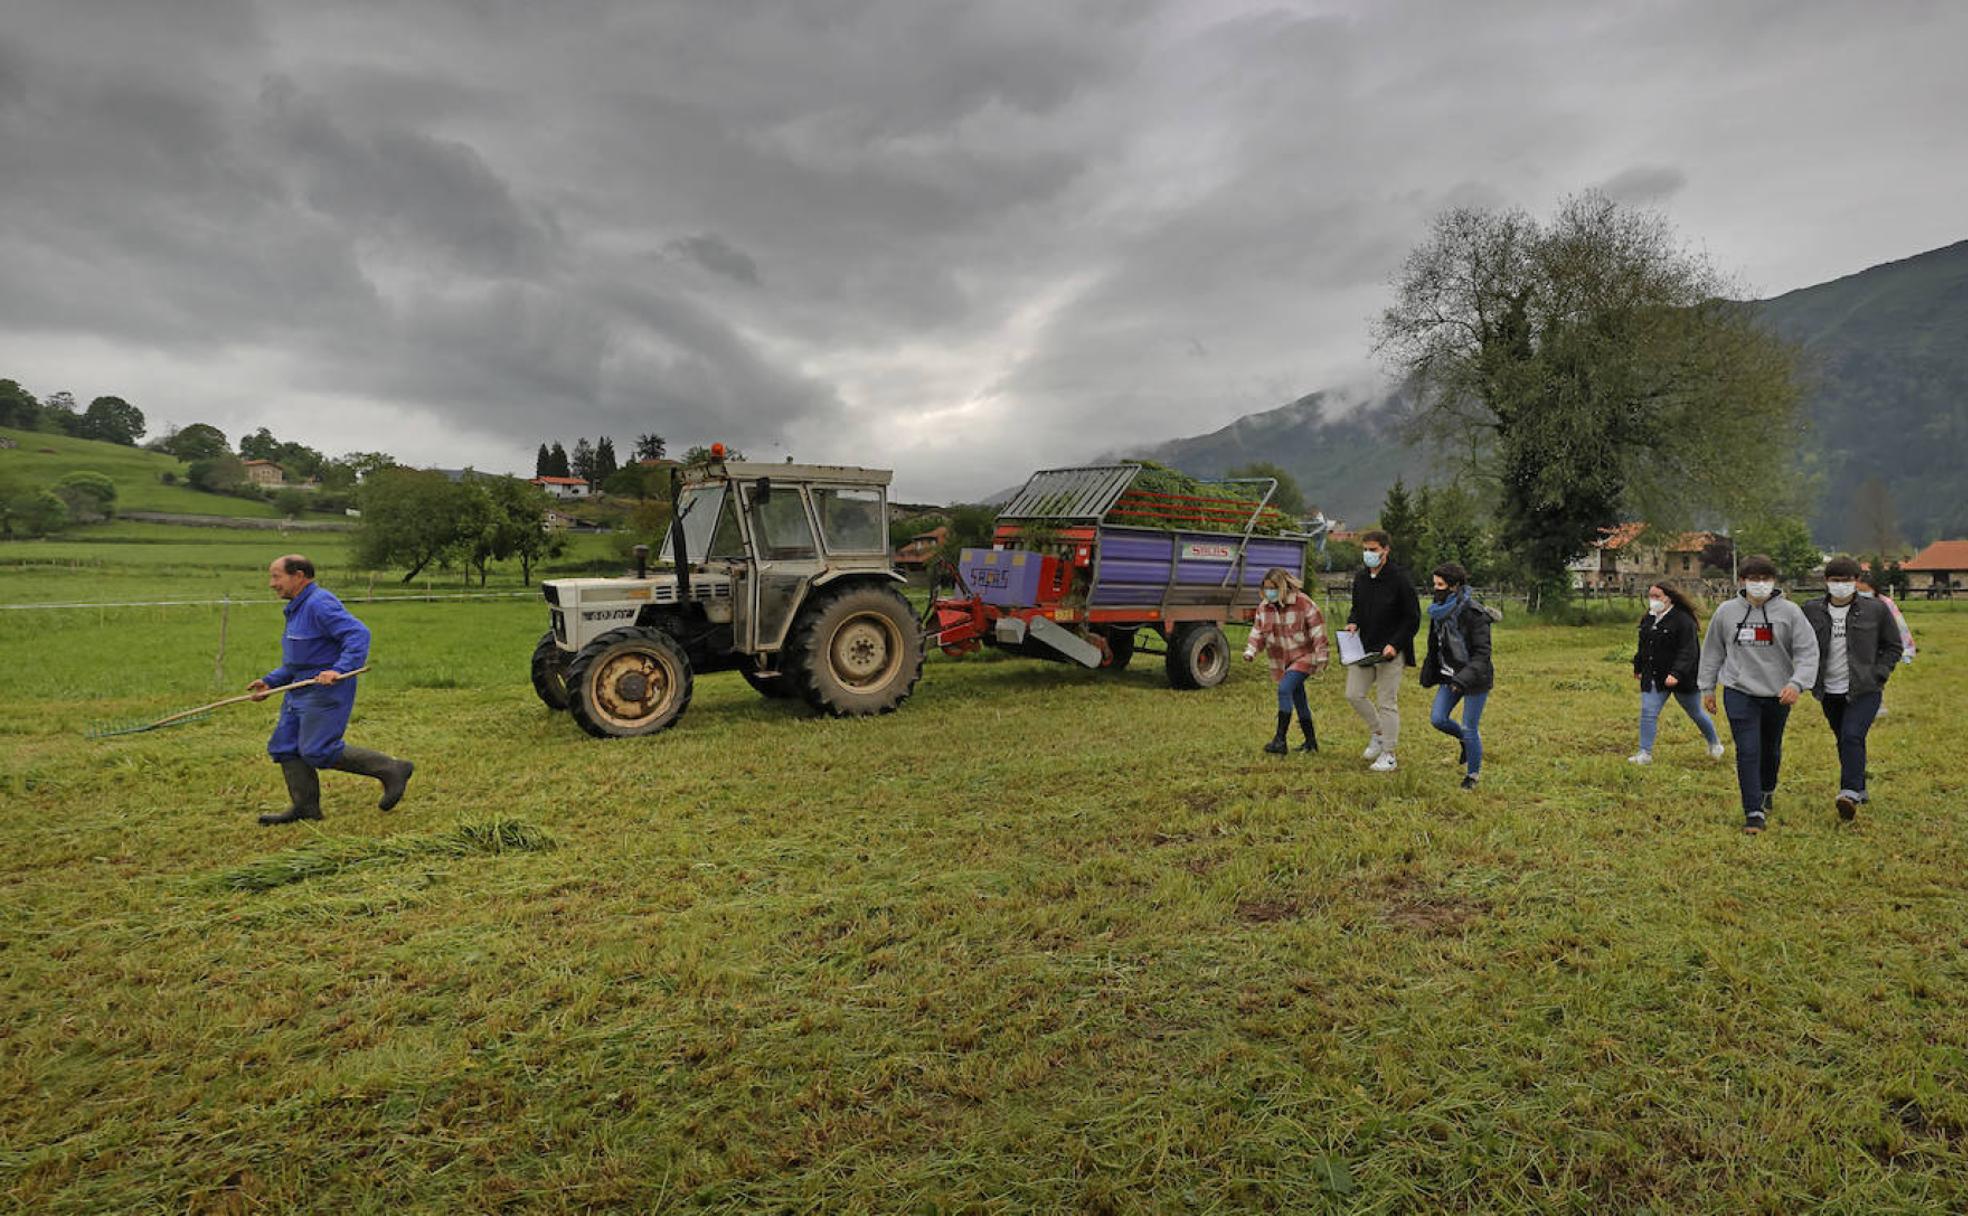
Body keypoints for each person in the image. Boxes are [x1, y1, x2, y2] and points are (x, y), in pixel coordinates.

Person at [250, 554, 415, 826]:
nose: (272, 583)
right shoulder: (296, 607)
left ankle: (393, 769)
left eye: (276, 576)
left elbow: (358, 634)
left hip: (326, 690)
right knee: (285, 746)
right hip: (300, 688)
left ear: (299, 575)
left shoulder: (319, 603)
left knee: (317, 750)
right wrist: (271, 682)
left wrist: (340, 669)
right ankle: (305, 808)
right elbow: (301, 659)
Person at [1698, 555, 1820, 835]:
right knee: (1748, 750)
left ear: (1774, 581)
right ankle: (1753, 811)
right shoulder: (1726, 612)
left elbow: (1807, 651)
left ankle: (1767, 789)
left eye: (1765, 579)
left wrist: (1797, 683)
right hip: (1739, 691)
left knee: (1770, 748)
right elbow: (1713, 650)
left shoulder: (1790, 613)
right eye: (1754, 579)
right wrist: (1707, 688)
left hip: (1778, 693)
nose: (1760, 584)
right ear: (1742, 581)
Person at [1802, 556, 1903, 820]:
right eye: (1836, 581)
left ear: (1856, 581)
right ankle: (1859, 786)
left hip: (1865, 688)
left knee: (1851, 736)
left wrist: (1879, 674)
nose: (1841, 586)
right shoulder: (1810, 610)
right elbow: (1799, 643)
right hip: (1828, 689)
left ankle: (1848, 793)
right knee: (1845, 738)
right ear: (1826, 582)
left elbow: (1893, 646)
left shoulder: (1876, 610)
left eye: (1847, 581)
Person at [1344, 530, 1421, 773]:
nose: (1368, 554)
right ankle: (1378, 732)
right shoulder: (1361, 578)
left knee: (1387, 701)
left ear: (1385, 550)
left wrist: (1395, 644)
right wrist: (1353, 622)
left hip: (1391, 651)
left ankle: (1389, 753)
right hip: (1364, 648)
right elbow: (1356, 608)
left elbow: (1413, 618)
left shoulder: (1400, 579)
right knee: (1354, 694)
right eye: (1365, 550)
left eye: (1373, 550)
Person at [1419, 563, 1497, 791]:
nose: (1436, 589)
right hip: (1448, 675)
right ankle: (1464, 741)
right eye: (1434, 584)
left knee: (1469, 726)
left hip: (1475, 678)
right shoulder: (1438, 610)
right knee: (1438, 719)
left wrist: (1462, 680)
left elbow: (1483, 654)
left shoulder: (1474, 613)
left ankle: (1472, 775)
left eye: (1440, 585)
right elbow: (1436, 645)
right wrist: (1430, 670)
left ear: (1454, 586)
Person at [1629, 581, 1724, 765]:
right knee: (1648, 712)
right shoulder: (1648, 618)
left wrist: (1676, 673)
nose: (1653, 600)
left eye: (1657, 596)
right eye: (1651, 596)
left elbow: (1688, 651)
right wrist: (1638, 666)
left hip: (1681, 678)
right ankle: (1644, 753)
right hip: (1654, 675)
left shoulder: (1683, 620)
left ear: (1669, 598)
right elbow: (1643, 645)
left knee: (1695, 712)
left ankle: (1715, 743)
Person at [1242, 568, 1331, 754]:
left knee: (1284, 689)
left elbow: (1317, 629)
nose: (1269, 592)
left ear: (1282, 587)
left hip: (1306, 656)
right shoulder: (1264, 608)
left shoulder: (1303, 603)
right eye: (1266, 588)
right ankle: (1311, 742)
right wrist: (1251, 651)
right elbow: (1257, 633)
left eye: (1272, 588)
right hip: (1283, 659)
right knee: (1299, 698)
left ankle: (1280, 740)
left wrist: (1322, 656)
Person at [1855, 570, 1915, 718]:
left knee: (1875, 676)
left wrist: (1906, 648)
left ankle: (1876, 706)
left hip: (1880, 646)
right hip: (1857, 646)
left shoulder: (1885, 604)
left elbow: (1899, 625)